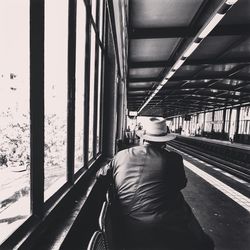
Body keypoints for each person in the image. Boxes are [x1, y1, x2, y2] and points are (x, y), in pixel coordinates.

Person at [98, 117, 214, 250]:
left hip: (123, 228)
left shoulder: (121, 155)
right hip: (163, 229)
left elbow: (101, 176)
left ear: (143, 138)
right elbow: (180, 184)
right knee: (205, 243)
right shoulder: (173, 159)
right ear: (165, 141)